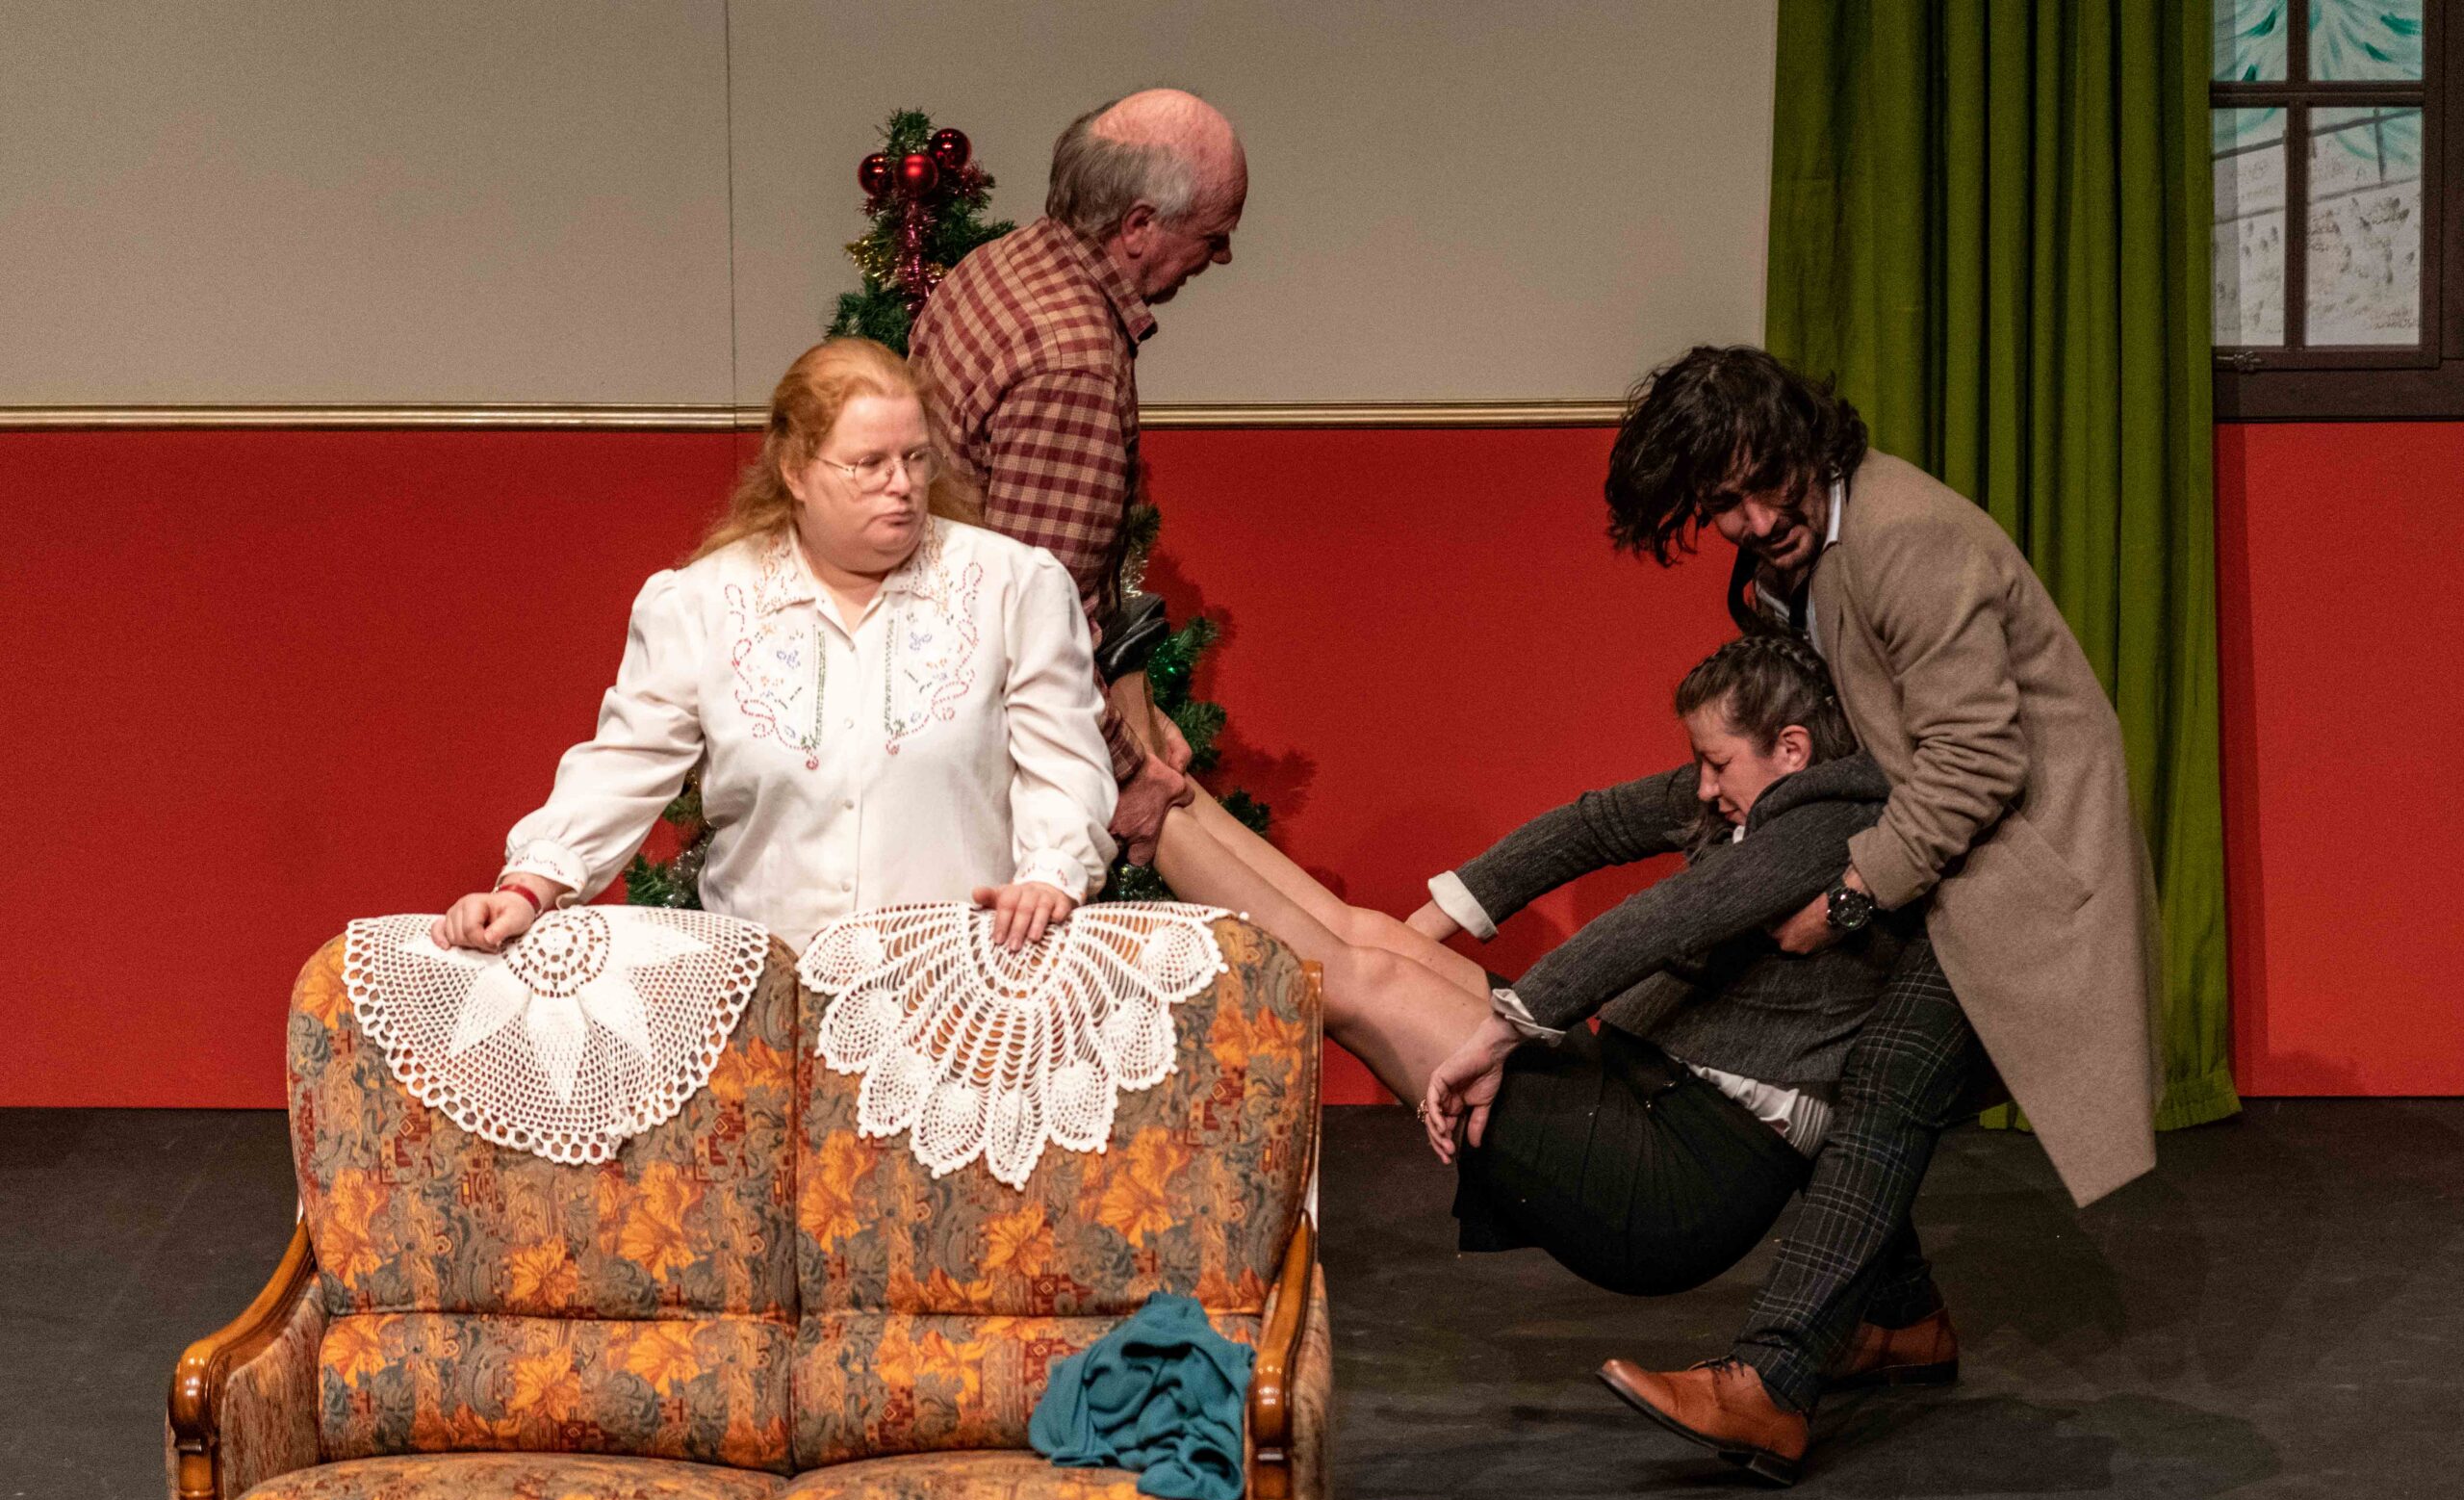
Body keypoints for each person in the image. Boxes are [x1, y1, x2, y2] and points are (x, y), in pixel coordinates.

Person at [1579, 346, 2163, 1485]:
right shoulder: (1802, 558)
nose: (1755, 520)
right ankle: (1896, 1318)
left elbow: (1976, 762)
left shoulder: (1908, 539)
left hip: (2015, 865)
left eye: (1766, 484)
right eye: (1722, 504)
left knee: (1889, 1070)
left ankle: (1771, 1378)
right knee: (1840, 1057)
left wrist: (1848, 895)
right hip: (1942, 853)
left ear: (1809, 441)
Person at [1159, 635, 1909, 1302]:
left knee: (1363, 983)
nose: (1705, 787)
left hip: (1681, 1176)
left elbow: (1666, 918)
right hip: (1644, 1087)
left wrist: (1500, 1034)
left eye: (1717, 764)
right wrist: (1416, 932)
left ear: (1793, 749)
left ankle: (1142, 809)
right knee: (1372, 949)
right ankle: (1161, 786)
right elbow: (1592, 826)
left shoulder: (1826, 822)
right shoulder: (1754, 796)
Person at [432, 337, 1116, 956]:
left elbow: (1065, 765)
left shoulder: (1012, 587)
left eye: (915, 458)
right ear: (795, 470)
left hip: (957, 981)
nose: (903, 485)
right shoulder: (704, 603)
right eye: (869, 464)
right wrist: (528, 886)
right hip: (768, 996)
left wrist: (1050, 874)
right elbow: (625, 764)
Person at [910, 88, 1248, 866]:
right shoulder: (1074, 360)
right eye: (1213, 236)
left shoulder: (1000, 266)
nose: (1222, 257)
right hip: (990, 774)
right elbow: (1033, 639)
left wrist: (1136, 725)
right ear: (1138, 226)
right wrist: (1129, 771)